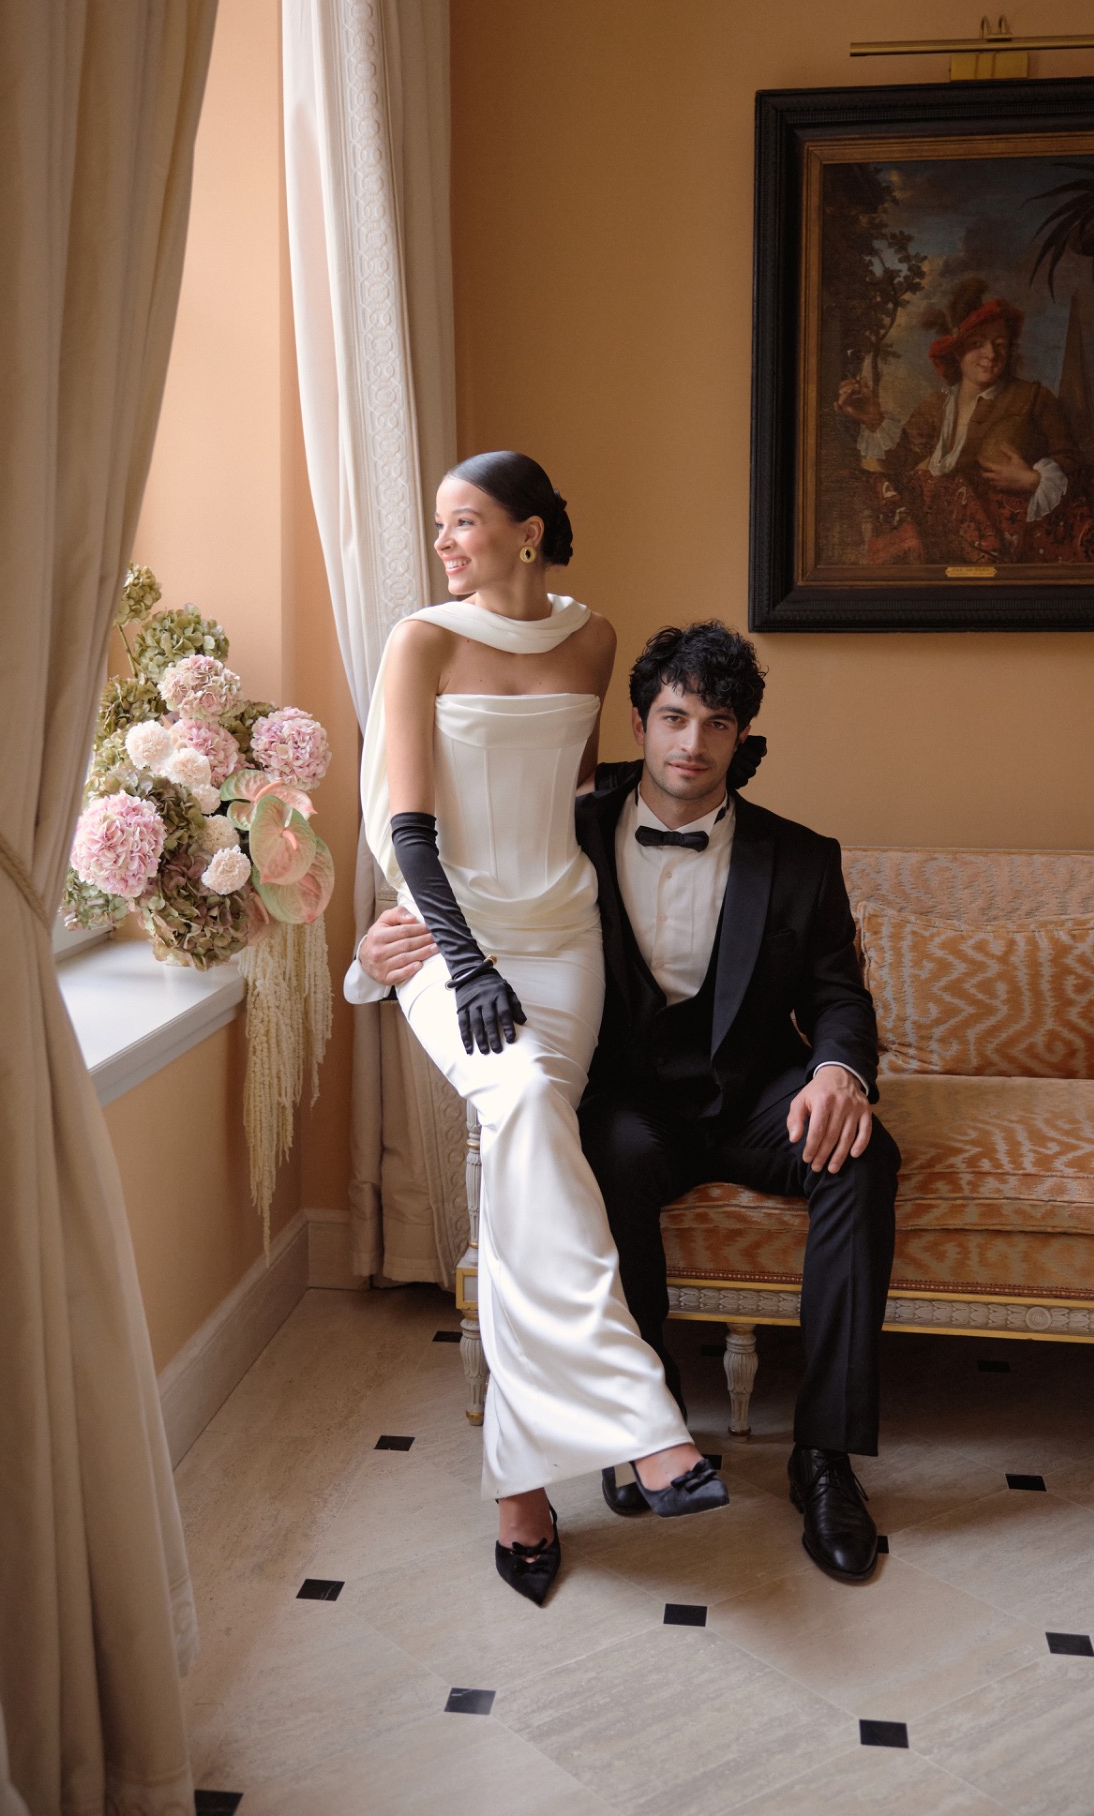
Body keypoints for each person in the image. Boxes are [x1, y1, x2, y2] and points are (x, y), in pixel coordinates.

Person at [359, 619, 901, 1583]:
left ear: (742, 738)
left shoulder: (802, 856)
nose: (693, 742)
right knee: (600, 1151)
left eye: (717, 723)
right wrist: (381, 951)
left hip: (756, 1096)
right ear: (640, 724)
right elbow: (468, 890)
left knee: (863, 1155)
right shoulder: (560, 827)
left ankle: (824, 1460)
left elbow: (838, 995)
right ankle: (641, 1422)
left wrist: (838, 1073)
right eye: (674, 717)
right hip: (633, 1098)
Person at [350, 451, 728, 1608]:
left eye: (462, 522)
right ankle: (645, 1423)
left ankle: (521, 1490)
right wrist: (459, 960)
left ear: (527, 531)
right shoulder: (419, 641)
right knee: (518, 1103)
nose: (444, 544)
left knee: (524, 1162)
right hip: (451, 941)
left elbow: (570, 794)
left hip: (560, 938)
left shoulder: (591, 638)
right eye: (438, 525)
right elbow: (408, 828)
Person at [835, 278, 1094, 565]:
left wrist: (1032, 479)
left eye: (1000, 344)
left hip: (1015, 535)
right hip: (949, 540)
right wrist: (873, 419)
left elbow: (1071, 459)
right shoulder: (936, 406)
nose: (991, 354)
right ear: (957, 349)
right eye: (978, 343)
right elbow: (900, 463)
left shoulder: (1034, 398)